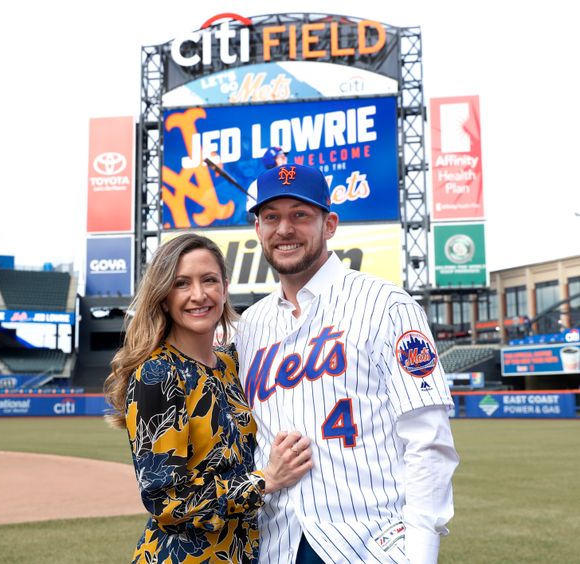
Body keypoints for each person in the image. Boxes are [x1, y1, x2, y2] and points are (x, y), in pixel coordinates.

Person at [235, 163, 460, 564]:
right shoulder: (250, 326)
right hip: (277, 543)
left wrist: (421, 552)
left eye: (300, 214)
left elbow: (428, 439)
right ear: (258, 230)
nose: (284, 229)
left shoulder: (386, 305)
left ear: (330, 224)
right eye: (271, 217)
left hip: (368, 544)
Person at [104, 232, 313, 563]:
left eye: (209, 280)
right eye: (182, 283)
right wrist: (266, 481)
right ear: (163, 296)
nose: (198, 295)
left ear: (225, 288)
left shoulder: (232, 363)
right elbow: (168, 502)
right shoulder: (158, 374)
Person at [246, 146, 288, 221]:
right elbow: (250, 217)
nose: (285, 160)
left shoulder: (292, 181)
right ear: (272, 161)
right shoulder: (256, 185)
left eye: (285, 157)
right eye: (281, 157)